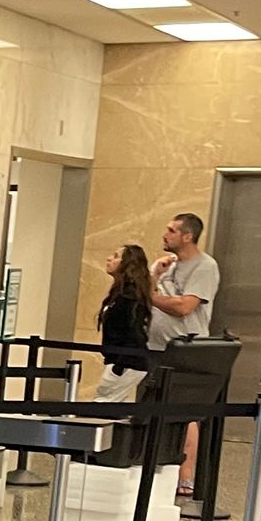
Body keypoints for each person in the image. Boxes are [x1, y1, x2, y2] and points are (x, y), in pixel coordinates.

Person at [147, 211, 221, 493]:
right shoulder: (169, 265)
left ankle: (185, 476)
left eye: (171, 230)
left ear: (187, 236)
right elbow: (153, 293)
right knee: (154, 409)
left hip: (186, 349)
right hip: (156, 347)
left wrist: (151, 296)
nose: (165, 235)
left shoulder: (205, 267)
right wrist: (155, 276)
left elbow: (183, 307)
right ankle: (157, 467)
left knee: (184, 414)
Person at [93, 243, 154, 403]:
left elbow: (134, 333)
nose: (109, 259)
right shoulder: (119, 294)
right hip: (121, 360)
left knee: (102, 404)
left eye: (115, 256)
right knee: (111, 405)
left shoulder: (129, 297)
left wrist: (119, 366)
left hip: (126, 362)